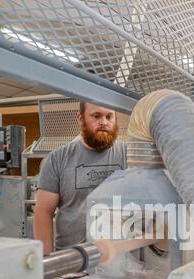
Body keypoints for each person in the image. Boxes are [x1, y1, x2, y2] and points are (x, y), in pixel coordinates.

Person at [34, 102, 126, 255]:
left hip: (118, 256)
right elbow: (43, 212)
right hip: (71, 258)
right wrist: (46, 262)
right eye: (96, 116)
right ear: (80, 118)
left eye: (109, 117)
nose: (104, 122)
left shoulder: (129, 154)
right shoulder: (57, 159)